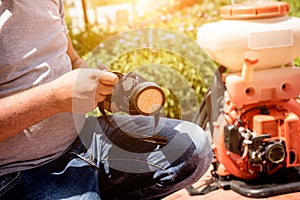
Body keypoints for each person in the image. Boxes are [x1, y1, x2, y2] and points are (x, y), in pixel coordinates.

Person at [0, 1, 213, 199]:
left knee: (193, 146)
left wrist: (102, 86)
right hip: (17, 173)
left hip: (81, 141)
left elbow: (72, 58)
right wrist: (55, 97)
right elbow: (55, 95)